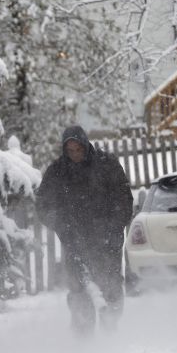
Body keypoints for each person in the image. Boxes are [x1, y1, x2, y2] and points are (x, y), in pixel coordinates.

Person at [36, 125, 133, 335]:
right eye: (70, 151)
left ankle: (111, 330)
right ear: (64, 150)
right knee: (79, 289)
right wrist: (61, 224)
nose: (75, 155)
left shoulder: (107, 165)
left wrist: (114, 228)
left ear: (85, 145)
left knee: (111, 286)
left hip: (107, 240)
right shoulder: (57, 172)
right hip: (75, 240)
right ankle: (83, 334)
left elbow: (124, 199)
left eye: (78, 149)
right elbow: (43, 205)